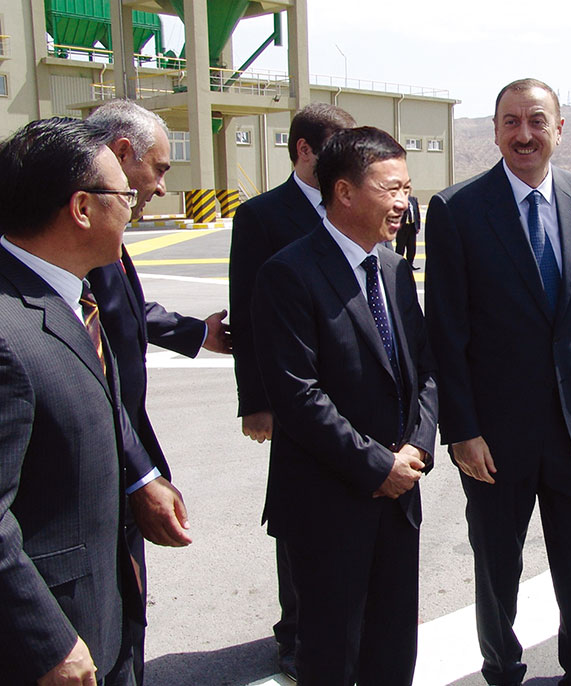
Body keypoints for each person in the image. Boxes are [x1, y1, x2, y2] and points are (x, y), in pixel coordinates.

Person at [425, 78, 571, 686]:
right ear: (495, 131)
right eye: (511, 122)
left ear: (559, 128)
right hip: (493, 436)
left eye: (536, 121)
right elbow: (447, 332)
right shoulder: (457, 210)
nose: (524, 135)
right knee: (497, 564)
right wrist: (461, 430)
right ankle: (502, 668)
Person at [252, 126, 438, 685]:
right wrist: (377, 465)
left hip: (399, 496)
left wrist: (416, 449)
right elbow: (298, 396)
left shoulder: (393, 269)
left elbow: (425, 371)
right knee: (331, 656)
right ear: (344, 192)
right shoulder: (288, 274)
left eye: (407, 189)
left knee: (393, 651)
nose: (403, 203)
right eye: (390, 189)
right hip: (328, 503)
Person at [85, 99, 232, 685]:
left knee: (126, 611)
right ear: (123, 154)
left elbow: (123, 308)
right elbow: (93, 354)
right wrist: (138, 474)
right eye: (160, 168)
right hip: (102, 461)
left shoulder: (104, 226)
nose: (163, 186)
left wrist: (196, 332)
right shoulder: (80, 231)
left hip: (121, 454)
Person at [0, 117, 145, 685]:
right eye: (125, 196)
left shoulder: (69, 295)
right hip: (50, 641)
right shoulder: (9, 330)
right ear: (82, 208)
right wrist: (49, 642)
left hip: (103, 608)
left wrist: (141, 482)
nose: (133, 210)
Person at [229, 102, 356, 679]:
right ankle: (295, 630)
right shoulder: (261, 216)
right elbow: (246, 311)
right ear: (304, 150)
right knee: (299, 513)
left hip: (355, 390)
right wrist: (255, 400)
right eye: (335, 149)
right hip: (294, 391)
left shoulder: (352, 204)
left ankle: (346, 618)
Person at [394, 195, 421, 268]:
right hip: (402, 227)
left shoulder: (413, 199)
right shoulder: (399, 200)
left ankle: (410, 265)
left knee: (412, 248)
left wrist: (418, 226)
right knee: (400, 248)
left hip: (412, 227)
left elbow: (417, 213)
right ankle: (398, 265)